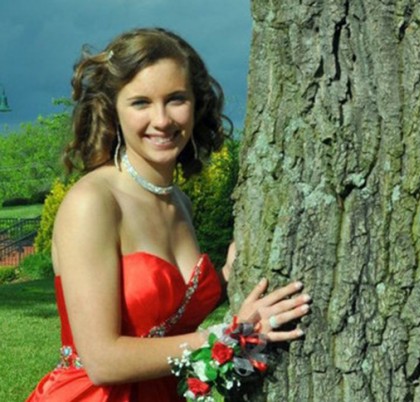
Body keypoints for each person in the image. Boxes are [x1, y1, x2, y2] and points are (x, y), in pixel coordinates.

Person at [27, 27, 311, 401]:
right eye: (141, 102)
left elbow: (161, 317)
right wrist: (234, 333)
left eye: (176, 99)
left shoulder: (178, 201)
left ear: (197, 104)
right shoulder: (93, 203)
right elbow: (102, 360)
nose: (162, 120)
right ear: (114, 109)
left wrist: (227, 277)